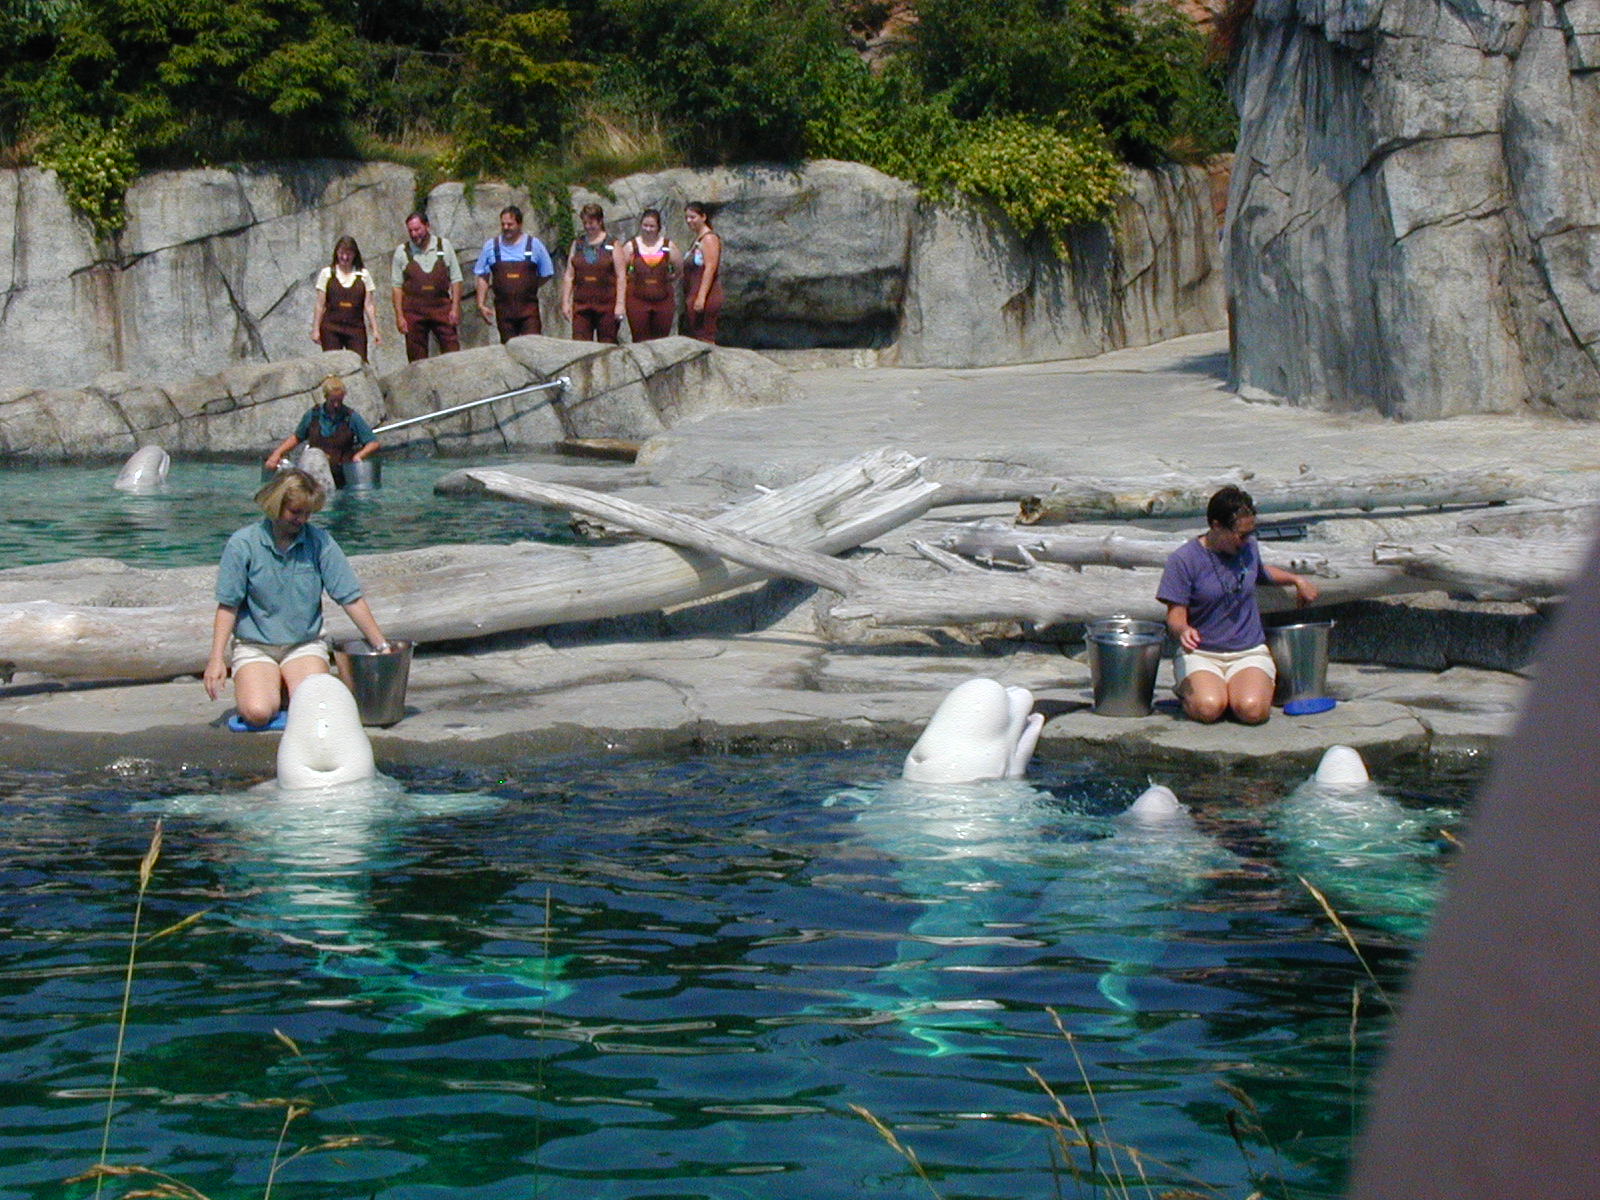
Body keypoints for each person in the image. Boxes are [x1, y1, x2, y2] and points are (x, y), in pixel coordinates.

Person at [204, 469, 390, 729]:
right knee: (257, 712)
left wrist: (382, 646)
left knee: (313, 709)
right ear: (275, 505)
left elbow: (350, 598)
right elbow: (228, 605)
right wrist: (216, 659)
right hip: (255, 646)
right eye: (295, 512)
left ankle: (286, 684)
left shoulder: (320, 542)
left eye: (307, 513)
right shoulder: (243, 543)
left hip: (304, 644)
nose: (302, 519)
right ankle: (273, 685)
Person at [1156, 485, 1319, 724]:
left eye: (1250, 533)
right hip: (1202, 653)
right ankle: (1198, 692)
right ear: (1216, 526)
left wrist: (1297, 580)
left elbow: (1260, 572)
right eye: (1240, 534)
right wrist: (1183, 630)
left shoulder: (1248, 547)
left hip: (1247, 650)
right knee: (1208, 708)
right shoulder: (1183, 560)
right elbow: (1175, 616)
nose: (1246, 540)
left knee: (1252, 710)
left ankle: (1236, 692)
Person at [265, 375, 380, 489]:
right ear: (325, 397)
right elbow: (297, 437)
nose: (336, 405)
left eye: (339, 401)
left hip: (341, 477)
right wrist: (277, 454)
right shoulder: (313, 415)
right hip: (314, 474)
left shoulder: (350, 417)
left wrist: (359, 455)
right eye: (333, 401)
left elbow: (373, 442)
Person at [474, 205, 555, 342]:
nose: (505, 227)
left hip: (529, 312)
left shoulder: (534, 245)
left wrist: (528, 286)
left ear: (520, 224)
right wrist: (481, 304)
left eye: (510, 224)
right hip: (504, 313)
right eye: (503, 224)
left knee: (533, 346)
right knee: (508, 349)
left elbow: (547, 273)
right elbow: (483, 275)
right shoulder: (491, 246)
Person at [391, 211, 462, 361]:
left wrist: (455, 308)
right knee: (416, 360)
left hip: (442, 309)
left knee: (453, 354)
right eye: (410, 231)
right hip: (414, 313)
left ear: (427, 226)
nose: (414, 234)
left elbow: (456, 279)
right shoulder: (402, 252)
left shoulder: (444, 246)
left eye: (417, 229)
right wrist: (399, 316)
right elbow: (397, 287)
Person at [310, 236, 382, 361]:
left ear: (355, 254)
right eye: (341, 253)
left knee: (360, 362)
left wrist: (375, 330)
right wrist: (315, 329)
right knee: (332, 364)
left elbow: (369, 305)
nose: (344, 257)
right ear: (336, 253)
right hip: (331, 328)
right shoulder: (327, 274)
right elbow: (320, 305)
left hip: (355, 328)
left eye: (349, 253)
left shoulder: (363, 275)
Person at [561, 203, 624, 343]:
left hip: (607, 306)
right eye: (585, 223)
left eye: (591, 223)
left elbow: (621, 276)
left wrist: (620, 304)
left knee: (607, 345)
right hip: (582, 306)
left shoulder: (613, 244)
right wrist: (565, 302)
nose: (588, 226)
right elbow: (569, 275)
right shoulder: (577, 244)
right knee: (580, 344)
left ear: (600, 221)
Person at [619, 208, 680, 342]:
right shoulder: (630, 246)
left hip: (663, 300)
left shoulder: (668, 246)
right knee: (639, 340)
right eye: (645, 225)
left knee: (661, 341)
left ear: (658, 227)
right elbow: (620, 273)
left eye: (652, 226)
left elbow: (679, 270)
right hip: (637, 300)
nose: (648, 229)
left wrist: (670, 277)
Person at [681, 201, 724, 343]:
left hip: (706, 295)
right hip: (693, 293)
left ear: (703, 217)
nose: (689, 221)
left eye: (693, 217)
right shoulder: (697, 240)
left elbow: (710, 268)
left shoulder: (709, 238)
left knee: (705, 336)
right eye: (687, 218)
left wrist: (701, 297)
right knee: (696, 336)